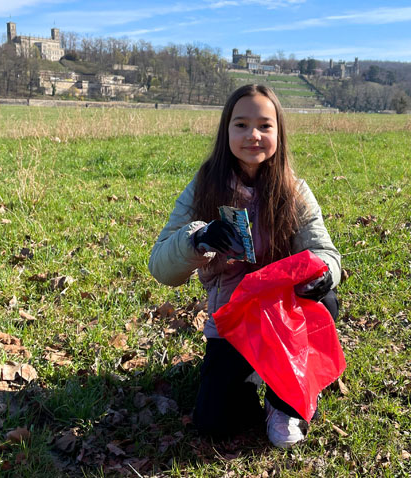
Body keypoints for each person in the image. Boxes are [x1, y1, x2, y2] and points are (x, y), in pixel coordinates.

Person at [148, 84, 342, 448]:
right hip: (233, 320)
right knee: (213, 422)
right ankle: (254, 373)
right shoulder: (204, 188)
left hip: (284, 317)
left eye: (265, 126)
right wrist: (198, 240)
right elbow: (161, 266)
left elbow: (323, 251)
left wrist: (323, 275)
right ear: (226, 131)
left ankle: (281, 402)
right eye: (241, 124)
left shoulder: (294, 190)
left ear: (278, 133)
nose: (253, 135)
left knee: (326, 297)